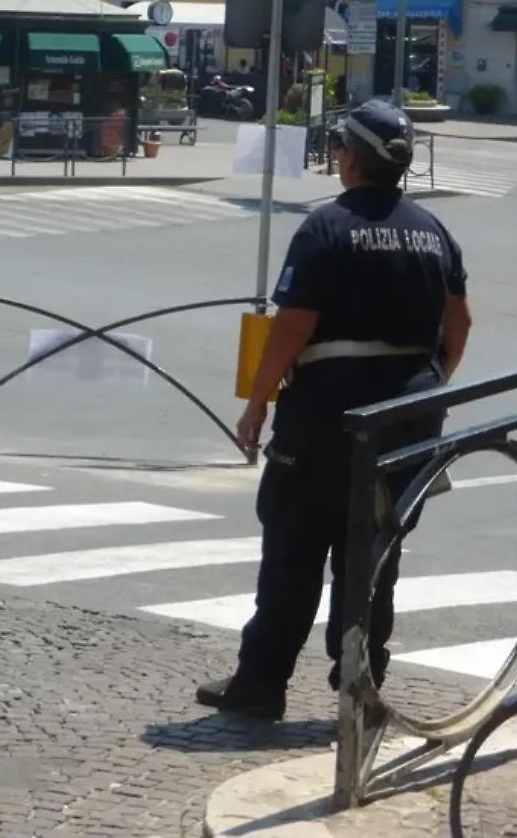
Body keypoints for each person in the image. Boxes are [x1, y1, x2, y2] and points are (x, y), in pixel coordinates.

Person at [198, 99, 472, 720]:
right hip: (410, 413)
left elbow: (293, 326)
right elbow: (460, 322)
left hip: (327, 412)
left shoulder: (327, 227)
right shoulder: (433, 229)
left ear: (350, 158)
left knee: (295, 545)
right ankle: (361, 683)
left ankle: (261, 685)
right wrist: (431, 384)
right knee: (376, 550)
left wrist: (257, 401)